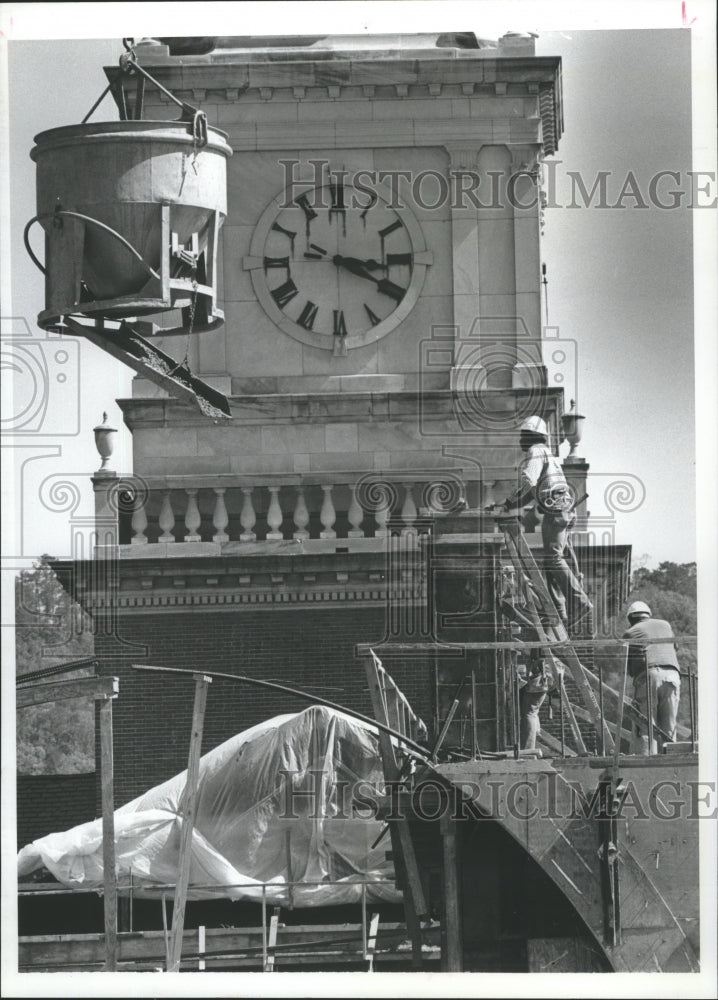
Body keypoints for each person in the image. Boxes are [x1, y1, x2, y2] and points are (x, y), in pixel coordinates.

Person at [497, 415, 593, 633]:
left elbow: (528, 480)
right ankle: (561, 610)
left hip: (557, 512)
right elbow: (534, 490)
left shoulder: (536, 451)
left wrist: (532, 502)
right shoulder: (547, 454)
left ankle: (580, 602)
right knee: (551, 561)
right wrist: (511, 503)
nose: (521, 439)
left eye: (523, 435)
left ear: (531, 436)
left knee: (554, 559)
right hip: (563, 511)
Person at [622, 601, 681, 754]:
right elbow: (675, 648)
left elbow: (630, 667)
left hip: (649, 676)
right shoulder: (665, 625)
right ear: (648, 614)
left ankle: (649, 760)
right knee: (669, 723)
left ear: (631, 619)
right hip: (672, 675)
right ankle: (671, 760)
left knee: (648, 724)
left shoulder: (630, 633)